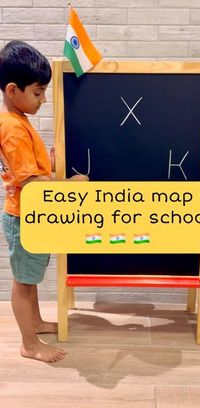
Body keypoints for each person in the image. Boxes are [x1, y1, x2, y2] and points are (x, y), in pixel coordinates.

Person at [0, 40, 88, 363]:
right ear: (13, 90)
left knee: (31, 276)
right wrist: (67, 185)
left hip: (30, 214)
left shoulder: (18, 122)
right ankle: (29, 343)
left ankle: (34, 323)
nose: (43, 99)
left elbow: (28, 170)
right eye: (38, 92)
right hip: (25, 215)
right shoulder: (13, 128)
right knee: (24, 282)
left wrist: (48, 164)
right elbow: (30, 182)